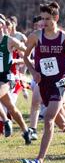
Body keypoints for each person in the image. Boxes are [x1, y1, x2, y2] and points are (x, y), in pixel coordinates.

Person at [22, 1, 65, 163]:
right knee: (61, 124)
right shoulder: (36, 36)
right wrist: (33, 72)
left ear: (56, 18)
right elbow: (25, 57)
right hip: (43, 82)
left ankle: (38, 161)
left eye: (47, 19)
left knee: (48, 118)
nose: (44, 22)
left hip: (60, 82)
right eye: (42, 19)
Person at [0, 15, 32, 144]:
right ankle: (26, 131)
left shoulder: (9, 40)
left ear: (1, 25)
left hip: (7, 77)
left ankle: (6, 121)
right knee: (11, 108)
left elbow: (27, 50)